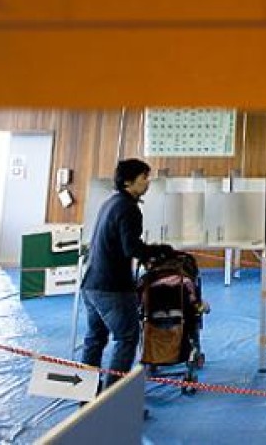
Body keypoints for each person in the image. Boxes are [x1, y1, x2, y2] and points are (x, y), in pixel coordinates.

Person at [81, 158, 171, 391]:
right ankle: (113, 399)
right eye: (144, 177)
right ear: (129, 181)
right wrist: (158, 251)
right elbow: (131, 248)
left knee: (95, 340)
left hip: (91, 284)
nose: (148, 182)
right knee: (127, 338)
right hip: (112, 287)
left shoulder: (110, 203)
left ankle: (87, 395)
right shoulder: (129, 208)